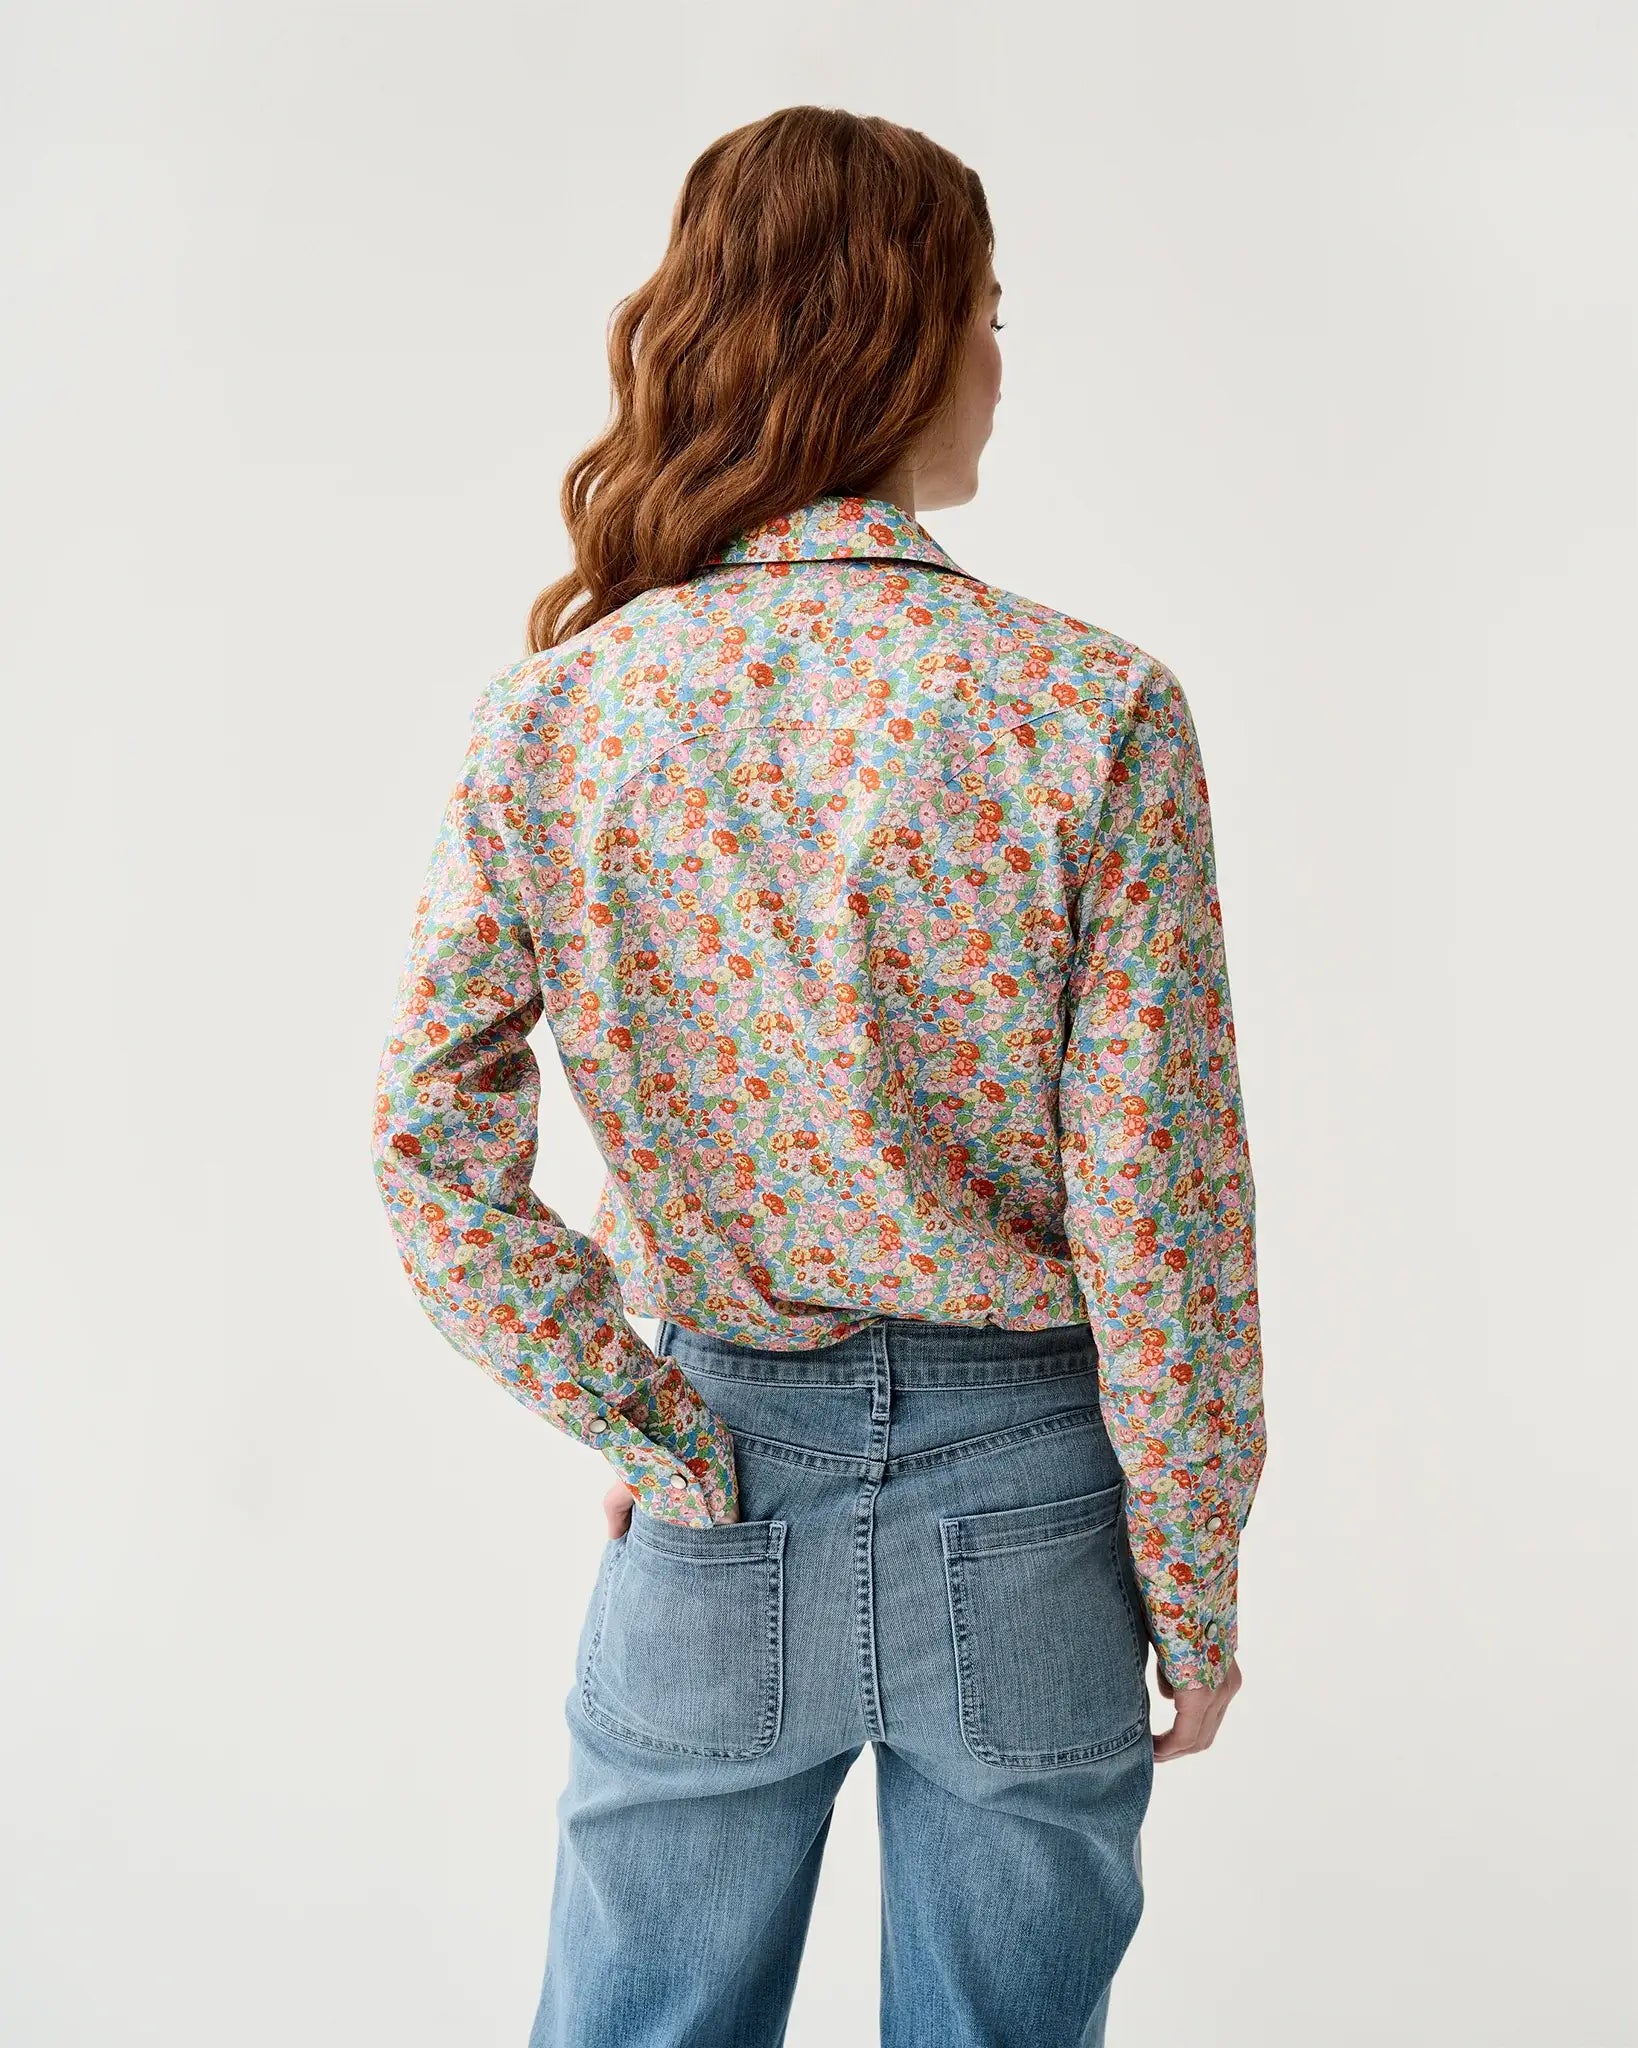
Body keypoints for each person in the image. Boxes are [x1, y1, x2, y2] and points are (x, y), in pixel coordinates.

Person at [370, 103, 1266, 2048]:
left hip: (718, 1491)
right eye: (988, 311)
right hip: (1038, 1516)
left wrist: (641, 1419)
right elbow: (1159, 1203)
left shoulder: (562, 714)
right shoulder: (1090, 710)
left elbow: (429, 1146)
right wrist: (1193, 1581)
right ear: (901, 335)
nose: (1002, 359)